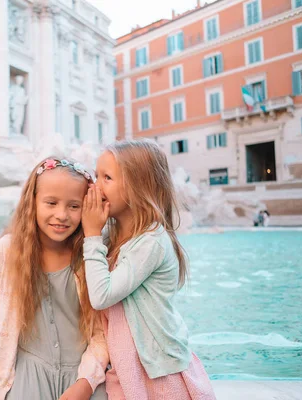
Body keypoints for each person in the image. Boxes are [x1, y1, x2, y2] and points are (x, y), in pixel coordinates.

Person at [0, 158, 108, 400]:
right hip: (28, 373)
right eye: (51, 203)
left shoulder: (91, 254)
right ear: (32, 202)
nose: (61, 215)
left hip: (85, 374)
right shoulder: (9, 250)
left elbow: (104, 331)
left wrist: (86, 383)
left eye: (74, 206)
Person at [81, 139, 216, 399]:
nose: (96, 186)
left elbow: (101, 295)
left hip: (160, 371)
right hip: (128, 364)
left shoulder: (151, 241)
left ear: (138, 187)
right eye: (96, 175)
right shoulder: (115, 237)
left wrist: (91, 234)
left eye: (107, 177)